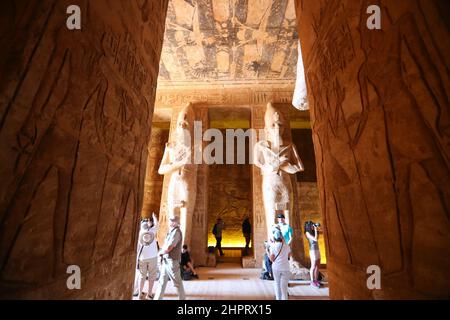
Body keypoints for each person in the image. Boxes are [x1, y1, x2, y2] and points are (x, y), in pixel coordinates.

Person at [154, 216, 186, 300]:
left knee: (177, 283)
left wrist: (160, 252)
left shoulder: (176, 232)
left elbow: (169, 247)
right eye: (170, 220)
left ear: (176, 223)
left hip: (172, 261)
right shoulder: (171, 232)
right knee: (162, 282)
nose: (170, 222)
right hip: (166, 260)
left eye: (172, 221)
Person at [136, 214, 159, 300]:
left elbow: (138, 247)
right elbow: (157, 224)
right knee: (152, 276)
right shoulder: (152, 231)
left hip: (142, 257)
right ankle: (149, 294)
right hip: (152, 256)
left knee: (142, 276)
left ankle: (139, 295)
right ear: (148, 224)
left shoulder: (139, 233)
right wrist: (154, 217)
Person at [269, 226, 291, 300]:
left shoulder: (273, 246)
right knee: (284, 287)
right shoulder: (287, 246)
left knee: (277, 284)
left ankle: (278, 299)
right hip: (286, 268)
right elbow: (289, 256)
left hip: (276, 268)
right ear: (282, 237)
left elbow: (272, 259)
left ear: (274, 238)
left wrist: (267, 251)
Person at [305, 221, 321, 288]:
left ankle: (316, 280)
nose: (313, 226)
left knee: (318, 266)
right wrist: (315, 230)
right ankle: (312, 281)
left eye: (313, 225)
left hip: (317, 250)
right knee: (313, 266)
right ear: (309, 226)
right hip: (313, 250)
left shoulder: (314, 231)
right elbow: (315, 239)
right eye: (311, 225)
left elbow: (318, 236)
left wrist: (316, 229)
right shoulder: (307, 233)